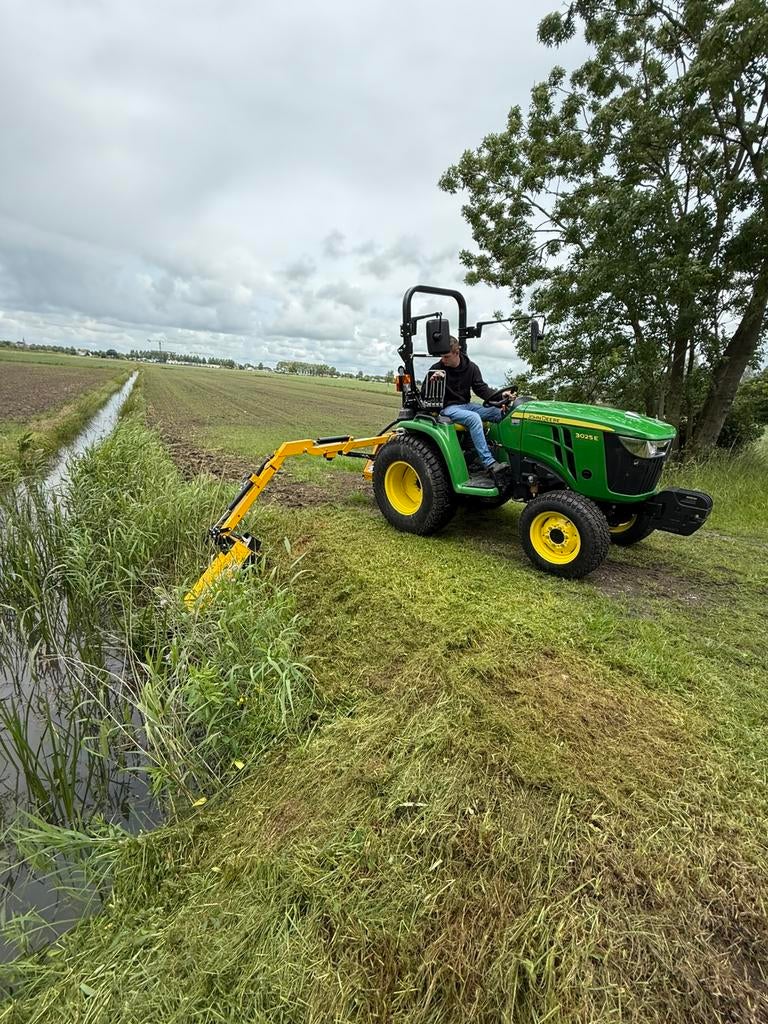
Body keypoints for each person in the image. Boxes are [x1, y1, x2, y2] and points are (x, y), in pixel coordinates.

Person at [428, 337, 516, 480]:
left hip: (466, 406)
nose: (443, 360)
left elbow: (482, 390)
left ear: (457, 352)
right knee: (474, 418)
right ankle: (489, 463)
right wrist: (433, 381)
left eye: (446, 356)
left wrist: (501, 397)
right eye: (442, 356)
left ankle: (511, 457)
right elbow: (427, 393)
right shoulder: (437, 368)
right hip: (448, 408)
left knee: (500, 413)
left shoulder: (471, 367)